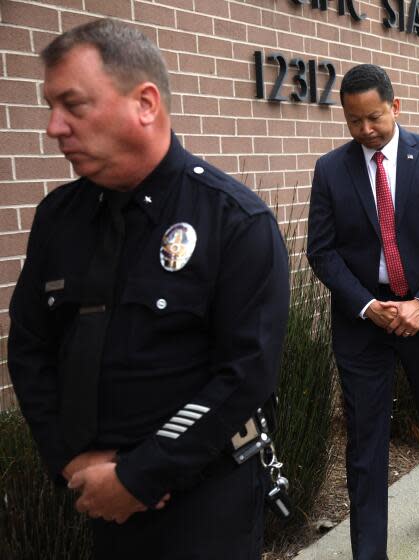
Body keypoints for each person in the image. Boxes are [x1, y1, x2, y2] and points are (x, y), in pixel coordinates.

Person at [8, 19, 290, 560]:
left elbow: (245, 375)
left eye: (73, 104)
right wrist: (70, 461)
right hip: (97, 495)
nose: (53, 127)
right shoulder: (58, 218)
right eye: (50, 106)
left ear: (145, 103)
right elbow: (30, 347)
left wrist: (142, 474)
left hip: (205, 505)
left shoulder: (234, 221)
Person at [307, 64, 419, 559]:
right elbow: (322, 251)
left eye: (375, 118)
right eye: (354, 121)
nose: (365, 130)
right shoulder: (330, 170)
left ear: (396, 107)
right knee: (365, 436)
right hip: (366, 319)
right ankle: (369, 549)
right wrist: (366, 305)